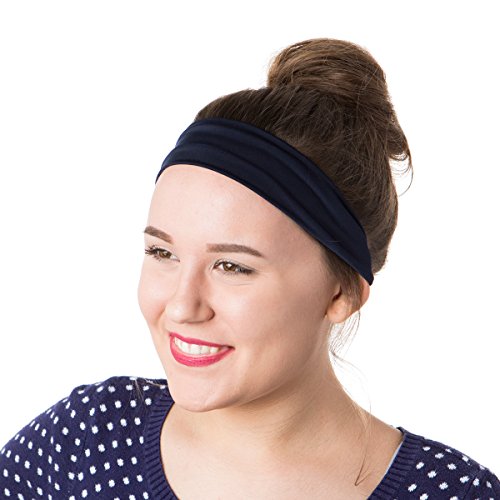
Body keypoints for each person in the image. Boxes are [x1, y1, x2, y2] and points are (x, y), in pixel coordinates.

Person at [0, 38, 498, 500]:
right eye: (163, 253)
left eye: (231, 266)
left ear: (341, 293)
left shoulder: (455, 492)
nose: (181, 306)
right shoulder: (86, 441)